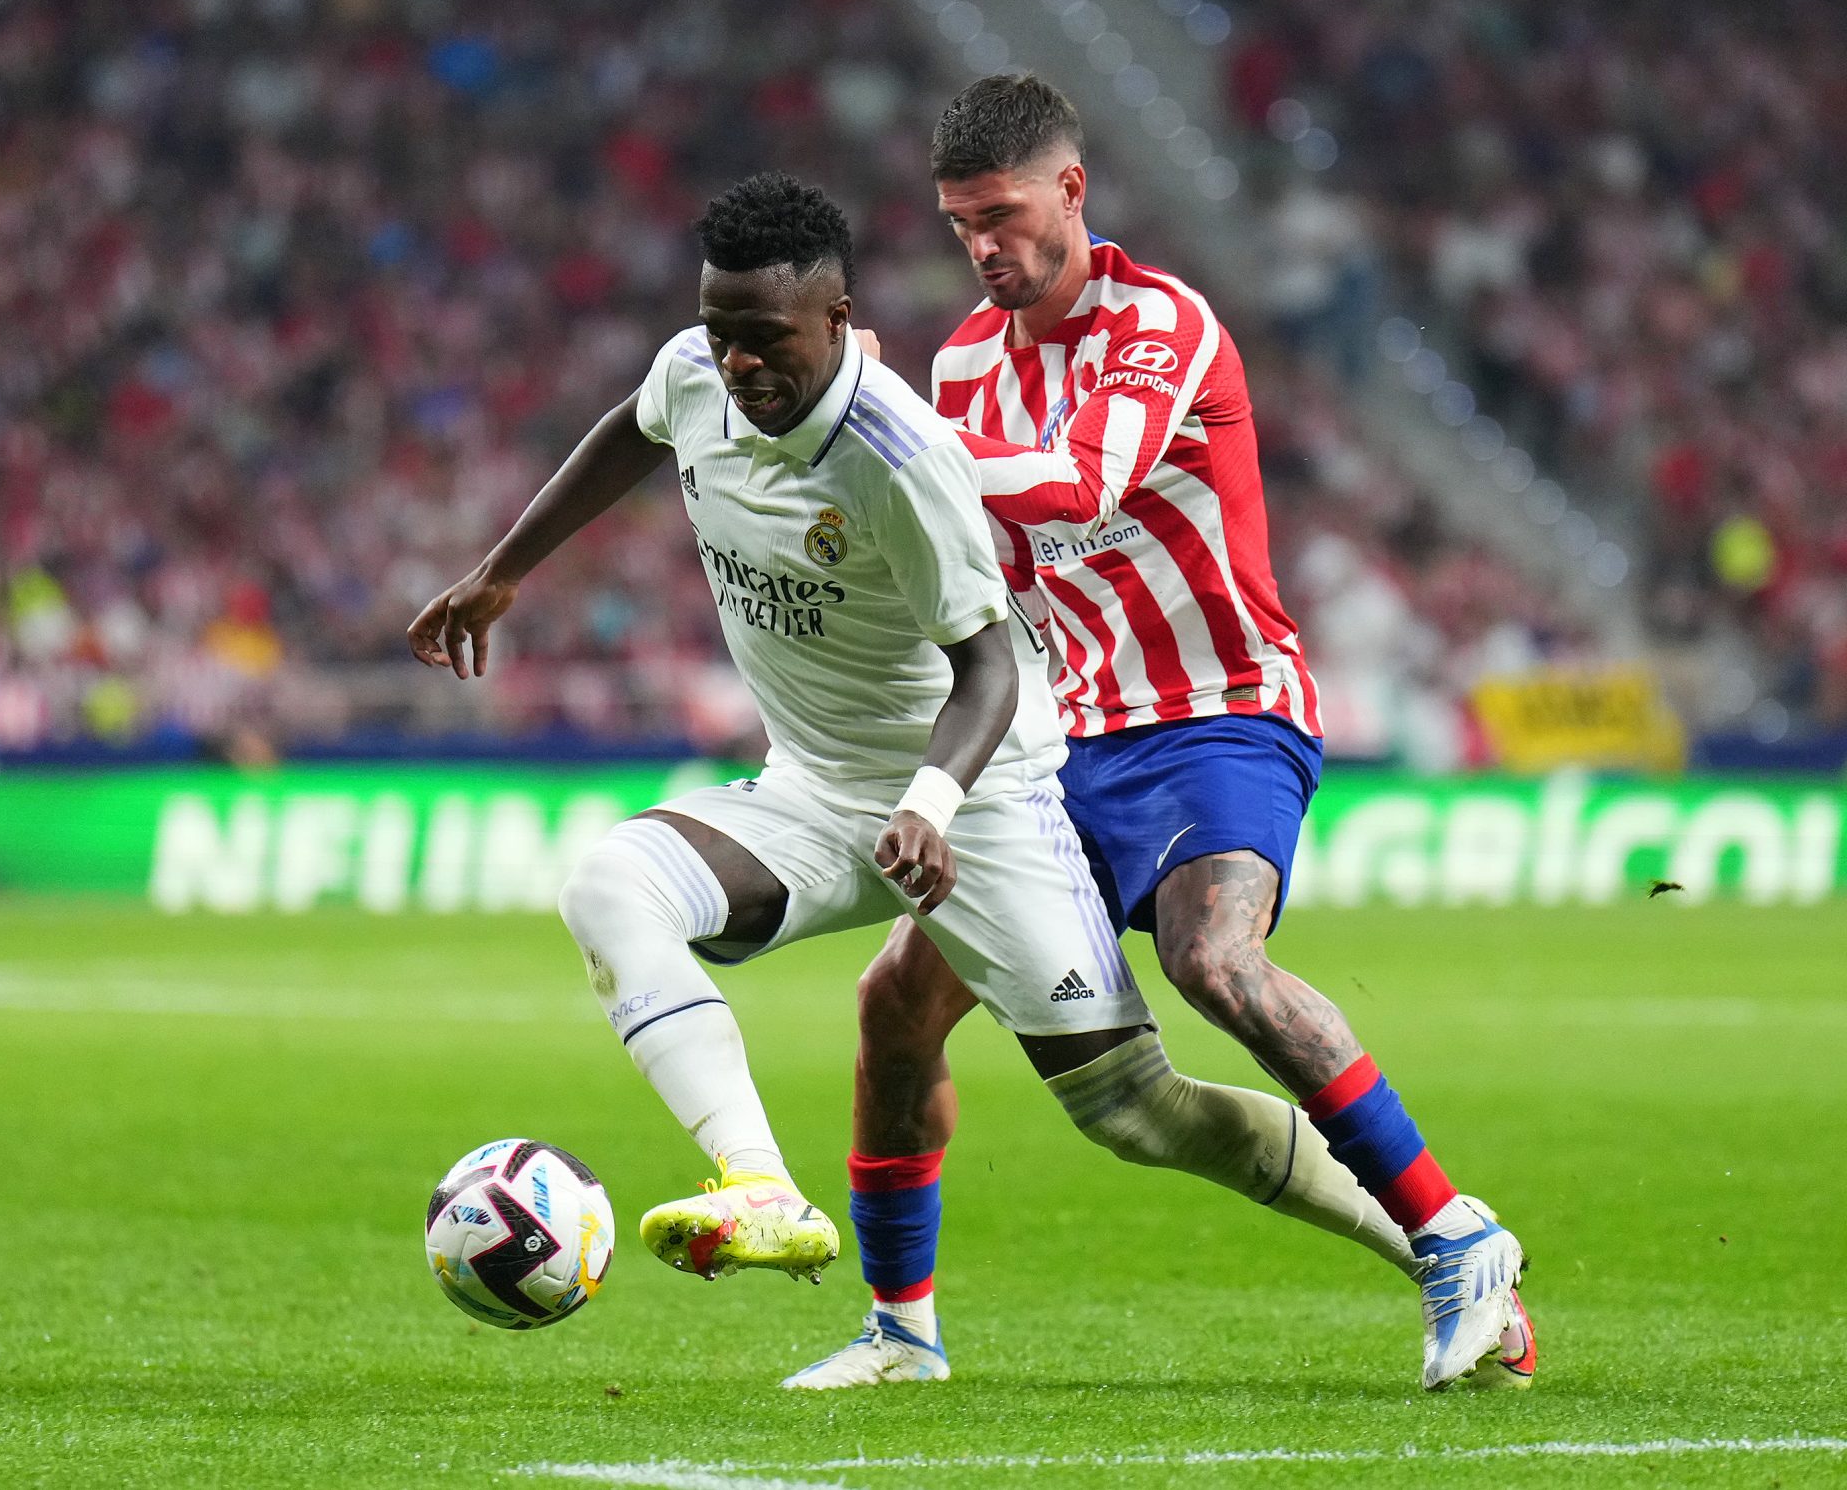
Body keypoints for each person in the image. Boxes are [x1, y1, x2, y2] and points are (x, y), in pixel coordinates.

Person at [409, 173, 1402, 1329]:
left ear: (838, 320)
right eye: (722, 333)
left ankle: (1422, 1229)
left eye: (764, 338)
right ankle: (762, 1188)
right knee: (610, 884)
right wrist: (504, 567)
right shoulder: (693, 372)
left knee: (1137, 1111)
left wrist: (932, 801)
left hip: (978, 805)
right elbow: (633, 427)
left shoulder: (898, 457)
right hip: (816, 794)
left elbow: (988, 663)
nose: (737, 365)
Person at [788, 77, 1534, 1393]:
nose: (983, 247)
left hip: (1222, 718)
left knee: (1213, 959)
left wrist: (888, 441)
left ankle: (1453, 1231)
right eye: (960, 224)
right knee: (894, 1002)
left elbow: (1080, 482)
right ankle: (902, 1329)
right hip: (1064, 741)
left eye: (1002, 215)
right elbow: (970, 564)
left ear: (1072, 190)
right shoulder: (966, 361)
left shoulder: (1165, 325)